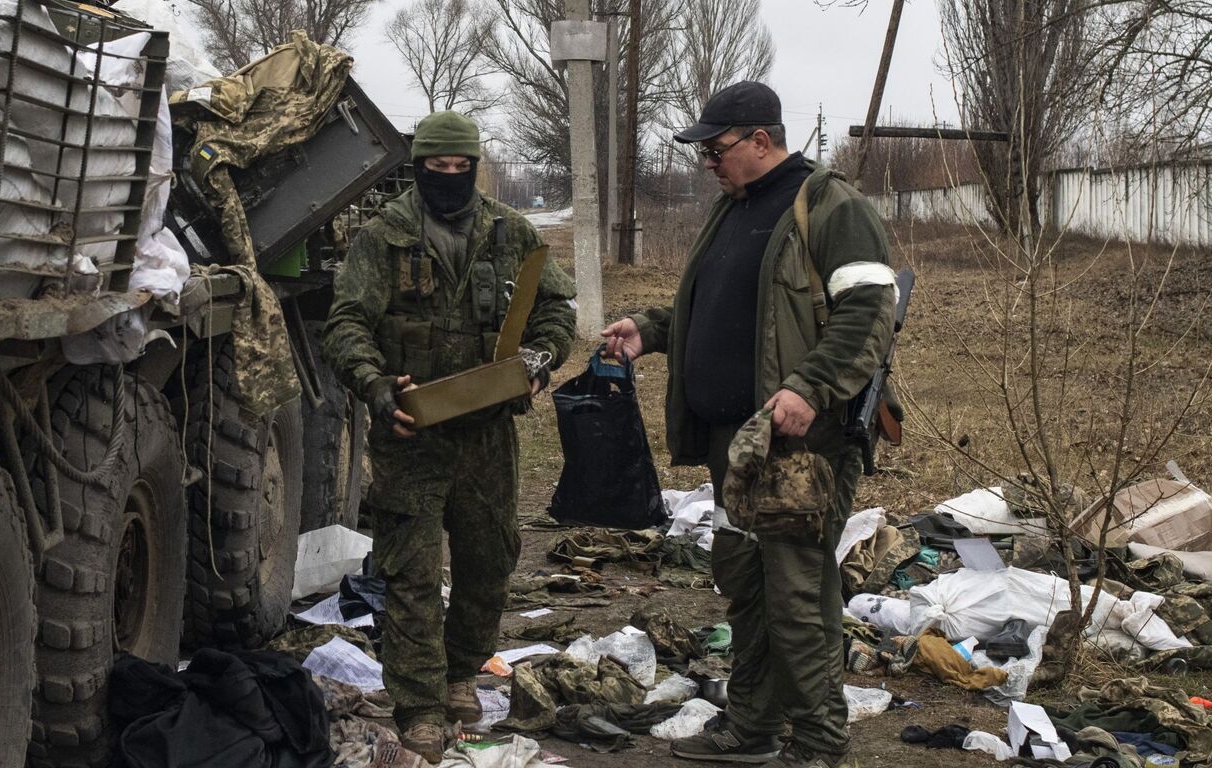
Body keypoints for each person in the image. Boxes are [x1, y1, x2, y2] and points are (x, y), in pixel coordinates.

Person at [601, 82, 897, 768]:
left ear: (761, 140)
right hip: (732, 448)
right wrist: (651, 329)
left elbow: (868, 317)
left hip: (800, 448)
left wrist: (810, 387)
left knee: (796, 595)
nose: (708, 160)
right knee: (746, 589)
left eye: (717, 148)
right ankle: (752, 728)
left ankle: (822, 745)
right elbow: (723, 312)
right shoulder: (731, 210)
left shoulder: (830, 208)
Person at [322, 110, 576, 762]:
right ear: (419, 167)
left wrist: (539, 362)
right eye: (438, 167)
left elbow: (553, 311)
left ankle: (461, 672)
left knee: (490, 560)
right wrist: (377, 387)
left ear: (475, 166)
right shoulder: (385, 238)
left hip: (488, 433)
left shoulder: (510, 234)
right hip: (412, 433)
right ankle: (421, 705)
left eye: (462, 167)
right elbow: (346, 323)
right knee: (410, 572)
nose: (451, 177)